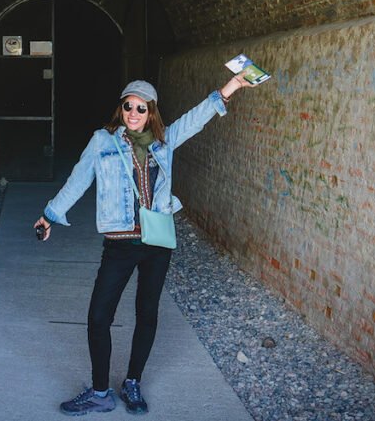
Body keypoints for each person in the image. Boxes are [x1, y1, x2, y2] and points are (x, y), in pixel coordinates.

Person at [34, 74, 257, 416]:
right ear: (120, 107)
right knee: (98, 317)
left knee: (147, 313)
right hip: (120, 243)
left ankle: (133, 382)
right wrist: (49, 215)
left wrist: (231, 87)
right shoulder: (102, 141)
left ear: (151, 111)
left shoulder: (164, 141)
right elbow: (78, 180)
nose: (134, 112)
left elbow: (196, 118)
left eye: (141, 107)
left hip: (157, 242)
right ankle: (99, 391)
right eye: (128, 106)